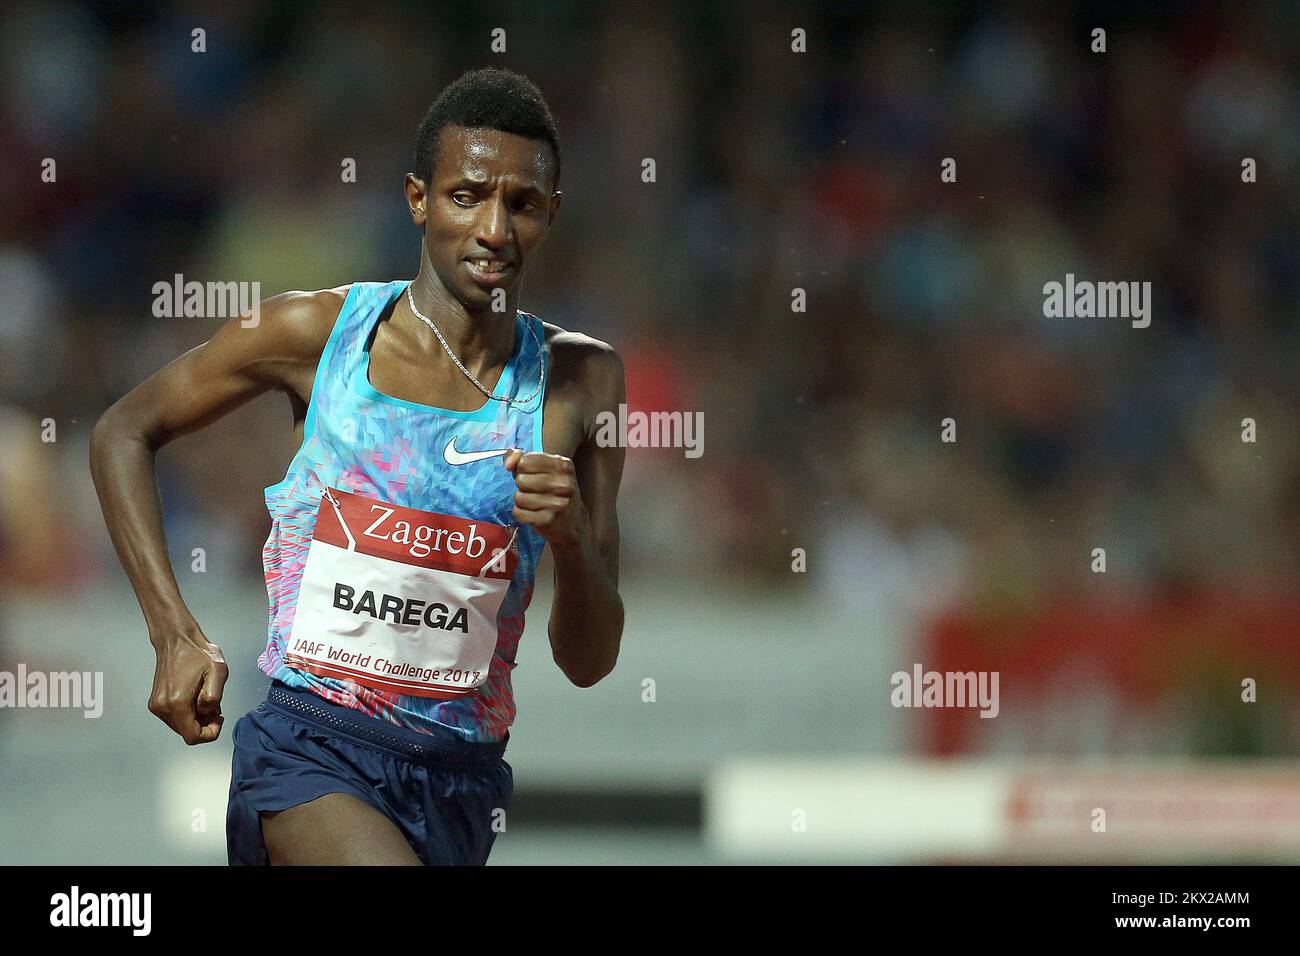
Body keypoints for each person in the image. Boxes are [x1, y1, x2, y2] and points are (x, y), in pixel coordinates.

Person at [89, 67, 626, 865]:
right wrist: (173, 632)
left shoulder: (582, 382)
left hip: (461, 783)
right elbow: (122, 431)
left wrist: (574, 541)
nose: (494, 229)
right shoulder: (320, 334)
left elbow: (589, 662)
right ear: (417, 199)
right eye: (466, 195)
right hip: (312, 752)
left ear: (551, 214)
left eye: (521, 204)